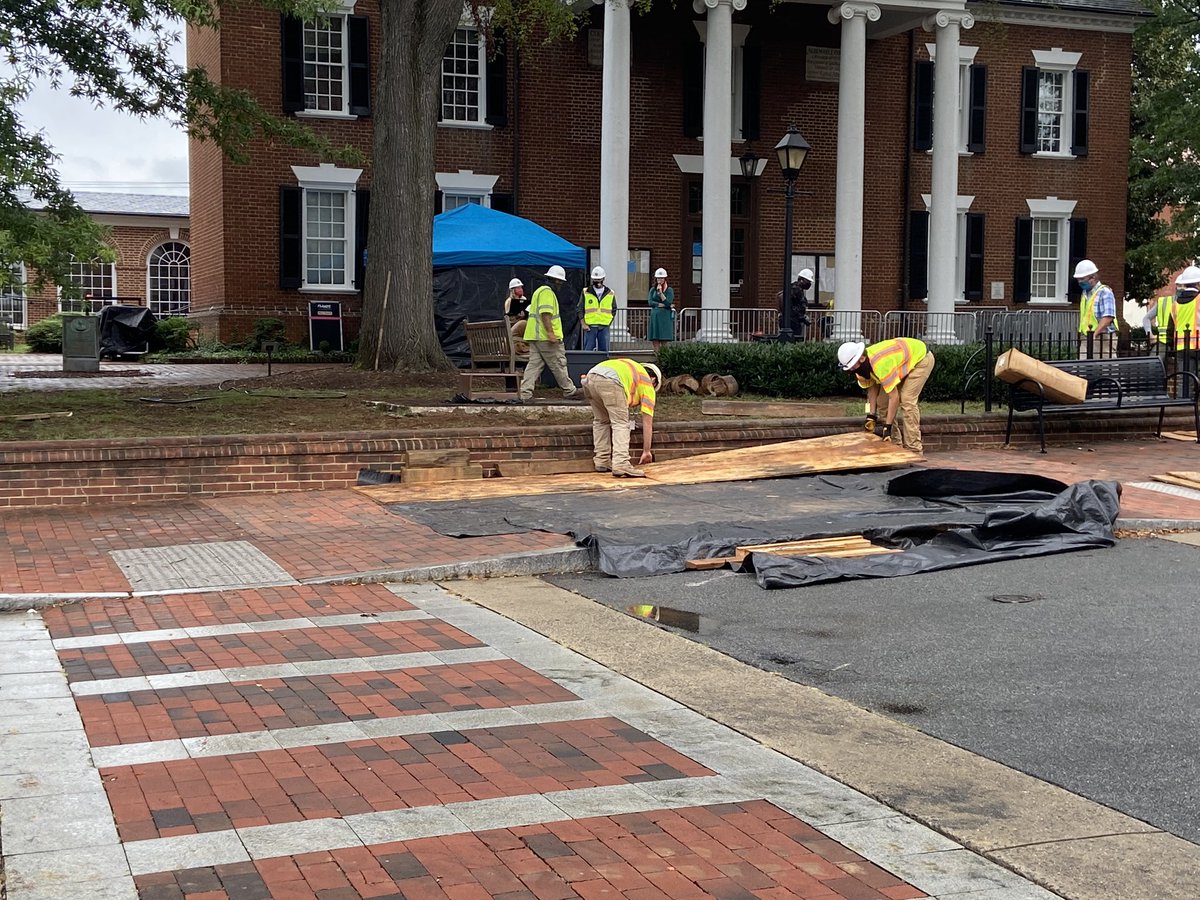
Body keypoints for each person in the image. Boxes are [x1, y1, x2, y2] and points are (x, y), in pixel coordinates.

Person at [838, 337, 935, 454]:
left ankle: (914, 449)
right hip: (901, 361)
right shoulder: (859, 369)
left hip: (921, 358)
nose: (851, 370)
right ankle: (895, 447)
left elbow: (893, 397)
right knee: (882, 404)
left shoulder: (881, 364)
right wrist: (871, 415)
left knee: (907, 400)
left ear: (862, 358)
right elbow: (872, 388)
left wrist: (887, 427)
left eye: (852, 366)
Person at [583, 358, 661, 477]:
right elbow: (647, 423)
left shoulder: (631, 369)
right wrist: (646, 451)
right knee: (620, 423)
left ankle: (602, 460)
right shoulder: (647, 382)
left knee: (601, 421)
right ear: (653, 379)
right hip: (611, 381)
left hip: (591, 377)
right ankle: (621, 463)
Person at [519, 265, 579, 402]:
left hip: (536, 336)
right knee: (558, 362)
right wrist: (551, 333)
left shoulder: (538, 291)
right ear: (556, 280)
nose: (561, 284)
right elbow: (545, 314)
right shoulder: (547, 293)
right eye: (560, 281)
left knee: (534, 365)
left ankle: (525, 392)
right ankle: (569, 390)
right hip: (545, 337)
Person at [1074, 259, 1117, 359]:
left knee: (1106, 370)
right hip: (1087, 336)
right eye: (1078, 279)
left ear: (1092, 278)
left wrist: (1095, 334)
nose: (1079, 282)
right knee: (1083, 368)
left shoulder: (1105, 292)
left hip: (1103, 336)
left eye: (1082, 279)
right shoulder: (1085, 293)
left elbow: (1108, 316)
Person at [1172, 266, 1200, 394]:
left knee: (1184, 379)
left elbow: (1173, 324)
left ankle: (1183, 405)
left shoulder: (1175, 303)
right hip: (1198, 343)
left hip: (1181, 345)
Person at [581, 266, 616, 352]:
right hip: (590, 326)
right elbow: (580, 308)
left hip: (604, 326)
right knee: (588, 351)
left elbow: (614, 309)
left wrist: (609, 321)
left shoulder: (610, 293)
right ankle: (587, 365)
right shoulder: (586, 292)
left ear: (603, 278)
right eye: (596, 280)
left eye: (599, 279)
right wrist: (583, 324)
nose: (597, 282)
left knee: (604, 352)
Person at [647, 267, 674, 351]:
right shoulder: (652, 290)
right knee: (655, 338)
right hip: (655, 315)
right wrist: (659, 304)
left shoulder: (669, 290)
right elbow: (650, 302)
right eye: (658, 278)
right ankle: (657, 355)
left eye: (661, 278)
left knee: (664, 338)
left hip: (665, 316)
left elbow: (668, 303)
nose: (660, 280)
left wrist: (661, 294)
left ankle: (664, 357)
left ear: (665, 278)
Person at [504, 277, 529, 344]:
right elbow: (508, 317)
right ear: (513, 290)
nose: (520, 290)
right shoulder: (509, 301)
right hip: (514, 325)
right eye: (518, 288)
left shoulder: (524, 299)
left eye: (521, 288)